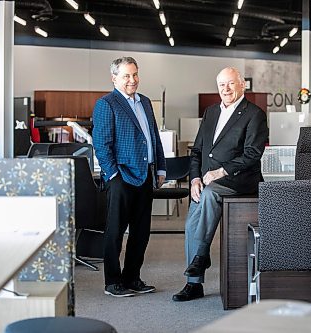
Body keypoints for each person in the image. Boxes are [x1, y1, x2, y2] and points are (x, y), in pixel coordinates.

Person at [172, 67, 268, 302]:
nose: (225, 89)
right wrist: (194, 179)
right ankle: (194, 284)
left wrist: (219, 172)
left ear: (242, 85)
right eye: (221, 85)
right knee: (191, 224)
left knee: (209, 195)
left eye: (231, 84)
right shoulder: (211, 112)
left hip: (239, 181)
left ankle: (201, 256)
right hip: (206, 181)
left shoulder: (254, 114)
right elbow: (196, 152)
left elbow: (253, 154)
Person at [93, 56, 166, 297]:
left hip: (146, 175)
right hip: (121, 176)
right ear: (114, 78)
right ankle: (113, 282)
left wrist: (161, 168)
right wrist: (113, 174)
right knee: (115, 232)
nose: (132, 80)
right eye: (126, 76)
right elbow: (101, 144)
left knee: (141, 233)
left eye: (135, 75)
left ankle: (132, 278)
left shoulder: (144, 102)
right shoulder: (107, 103)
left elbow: (153, 137)